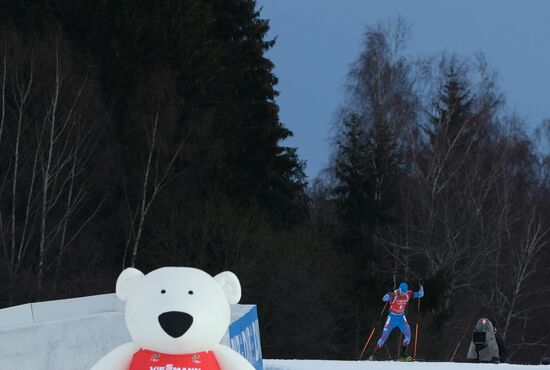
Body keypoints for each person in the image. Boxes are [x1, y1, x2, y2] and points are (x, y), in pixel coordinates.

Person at [369, 281, 424, 361]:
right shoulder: (394, 294)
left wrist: (421, 286)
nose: (403, 294)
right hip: (391, 318)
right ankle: (374, 355)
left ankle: (403, 355)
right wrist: (388, 293)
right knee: (384, 337)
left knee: (408, 335)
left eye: (404, 293)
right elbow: (384, 299)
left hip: (401, 318)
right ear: (399, 290)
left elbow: (421, 294)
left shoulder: (408, 294)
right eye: (401, 292)